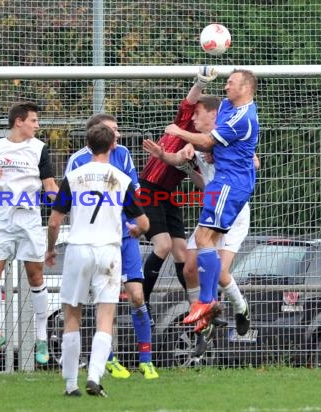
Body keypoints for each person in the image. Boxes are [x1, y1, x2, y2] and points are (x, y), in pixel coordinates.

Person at [144, 94, 260, 355]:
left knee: (219, 273)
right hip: (213, 206)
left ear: (213, 115)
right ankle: (204, 324)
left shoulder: (227, 136)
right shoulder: (198, 143)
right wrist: (166, 155)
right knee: (188, 269)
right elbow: (192, 169)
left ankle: (241, 308)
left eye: (198, 114)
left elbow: (253, 160)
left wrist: (220, 154)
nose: (193, 118)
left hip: (234, 211)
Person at [46, 123, 149, 397]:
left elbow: (55, 221)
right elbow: (143, 222)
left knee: (72, 316)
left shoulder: (74, 176)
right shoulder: (121, 178)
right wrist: (137, 230)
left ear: (88, 146)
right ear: (112, 145)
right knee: (105, 316)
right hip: (108, 251)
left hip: (79, 249)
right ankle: (94, 375)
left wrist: (50, 248)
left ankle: (70, 384)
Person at [65, 114, 157, 379]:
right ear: (98, 134)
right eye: (113, 130)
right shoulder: (77, 162)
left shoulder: (124, 153)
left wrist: (136, 223)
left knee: (137, 296)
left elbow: (133, 191)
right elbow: (68, 200)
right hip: (95, 242)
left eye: (117, 130)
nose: (117, 135)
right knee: (103, 302)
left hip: (124, 239)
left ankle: (146, 359)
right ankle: (107, 360)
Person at [0, 102, 59, 364]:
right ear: (19, 121)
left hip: (30, 220)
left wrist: (60, 202)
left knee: (35, 276)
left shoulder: (39, 149)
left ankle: (41, 338)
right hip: (1, 219)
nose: (37, 125)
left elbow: (49, 184)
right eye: (34, 120)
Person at [139, 67, 219, 319]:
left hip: (168, 195)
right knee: (162, 245)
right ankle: (141, 302)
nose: (193, 117)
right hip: (149, 187)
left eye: (198, 114)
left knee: (182, 253)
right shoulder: (185, 123)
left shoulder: (208, 144)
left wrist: (186, 164)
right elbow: (189, 102)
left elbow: (203, 184)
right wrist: (200, 82)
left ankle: (198, 307)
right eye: (194, 113)